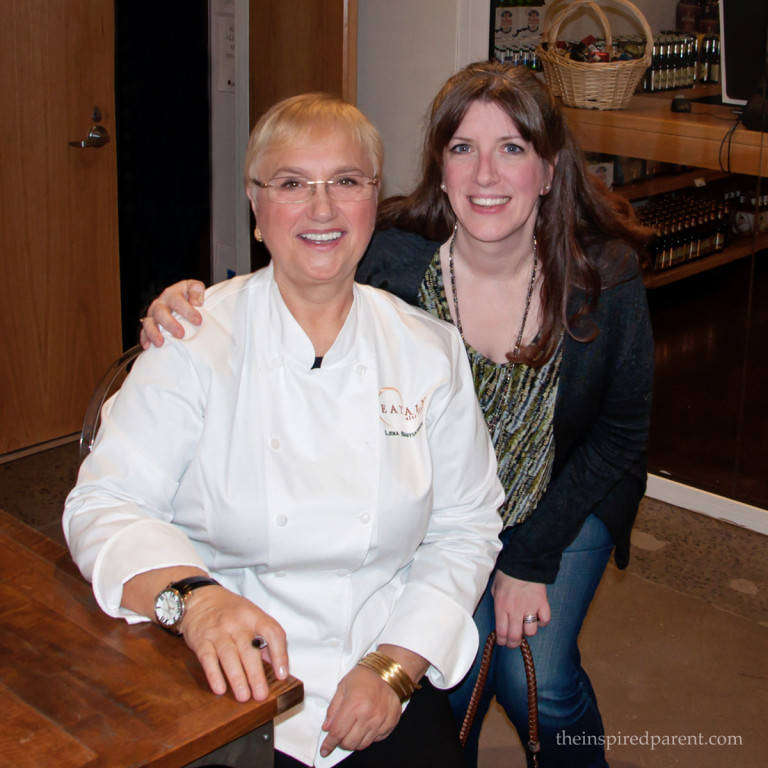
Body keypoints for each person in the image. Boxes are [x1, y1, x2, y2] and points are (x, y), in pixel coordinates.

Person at [141, 61, 654, 768]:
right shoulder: (392, 254)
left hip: (562, 496)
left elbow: (621, 433)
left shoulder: (604, 274)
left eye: (512, 148)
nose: (485, 174)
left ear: (549, 168)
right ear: (439, 169)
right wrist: (190, 303)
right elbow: (301, 263)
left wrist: (529, 558)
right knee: (454, 675)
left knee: (537, 674)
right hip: (429, 495)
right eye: (462, 148)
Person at [64, 92, 506, 768]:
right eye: (293, 183)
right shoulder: (192, 339)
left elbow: (466, 528)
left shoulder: (428, 351)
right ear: (256, 207)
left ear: (373, 201)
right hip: (218, 672)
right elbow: (104, 503)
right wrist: (195, 604)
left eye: (346, 183)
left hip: (381, 661)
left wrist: (394, 667)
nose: (322, 209)